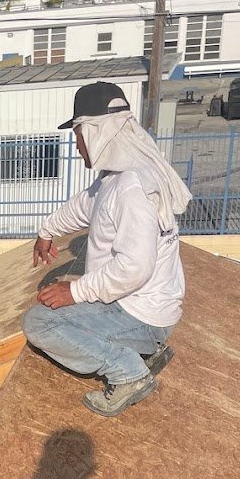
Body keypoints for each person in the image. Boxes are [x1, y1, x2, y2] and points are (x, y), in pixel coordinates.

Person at [22, 81, 192, 418]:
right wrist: (47, 231)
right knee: (58, 310)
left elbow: (135, 267)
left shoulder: (131, 188)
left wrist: (76, 291)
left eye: (78, 136)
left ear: (96, 131)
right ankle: (143, 352)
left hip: (141, 316)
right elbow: (85, 205)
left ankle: (128, 372)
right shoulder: (118, 177)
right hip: (140, 307)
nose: (77, 146)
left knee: (39, 323)